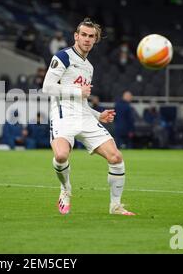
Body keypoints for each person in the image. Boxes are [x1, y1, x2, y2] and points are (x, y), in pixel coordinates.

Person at [42, 18, 135, 216]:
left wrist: (98, 114)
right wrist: (77, 91)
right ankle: (65, 188)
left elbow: (82, 101)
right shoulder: (63, 56)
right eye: (83, 35)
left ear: (95, 40)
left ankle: (115, 206)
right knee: (60, 156)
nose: (86, 39)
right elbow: (47, 87)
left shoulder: (89, 67)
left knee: (116, 157)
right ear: (76, 36)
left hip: (84, 116)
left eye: (91, 36)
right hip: (63, 115)